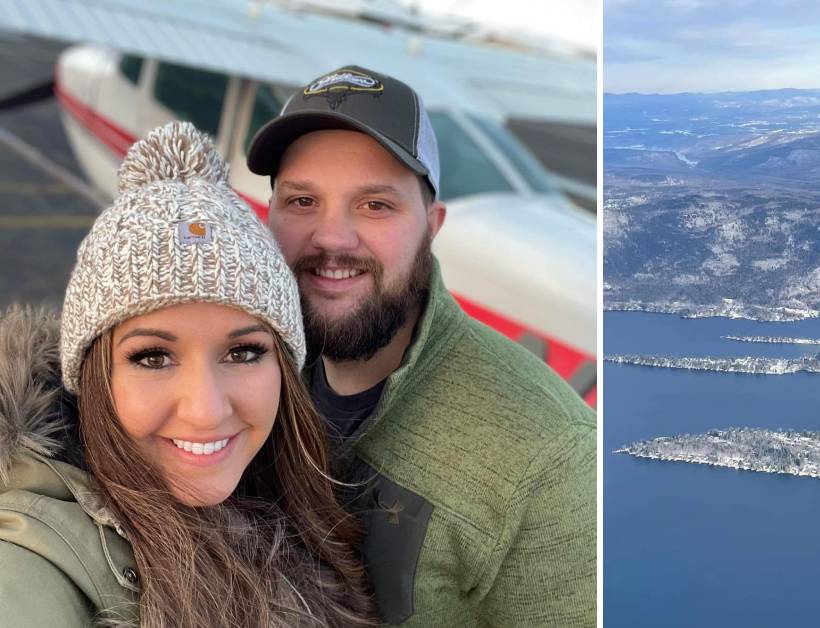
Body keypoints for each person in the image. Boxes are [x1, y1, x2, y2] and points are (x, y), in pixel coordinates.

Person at [246, 66, 597, 626]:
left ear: (432, 226)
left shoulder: (551, 458)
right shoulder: (242, 366)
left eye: (375, 205)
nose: (332, 238)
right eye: (303, 201)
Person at [0, 122, 374, 627]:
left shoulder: (292, 512)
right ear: (93, 377)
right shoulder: (26, 570)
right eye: (153, 357)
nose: (205, 409)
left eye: (243, 353)